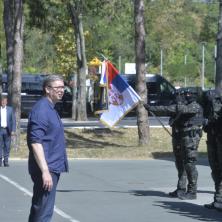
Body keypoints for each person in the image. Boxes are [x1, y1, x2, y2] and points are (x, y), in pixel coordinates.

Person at [144, 89, 203, 200]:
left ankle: (192, 191)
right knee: (180, 163)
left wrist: (153, 108)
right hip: (180, 136)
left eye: (185, 95)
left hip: (190, 138)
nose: (183, 97)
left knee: (189, 164)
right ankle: (181, 189)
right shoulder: (183, 106)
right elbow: (171, 110)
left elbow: (176, 109)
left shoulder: (194, 106)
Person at [27, 75, 69, 222]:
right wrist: (45, 171)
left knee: (41, 209)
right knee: (43, 212)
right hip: (47, 168)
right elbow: (35, 142)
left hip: (52, 167)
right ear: (47, 89)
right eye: (58, 87)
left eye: (63, 87)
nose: (62, 90)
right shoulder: (42, 110)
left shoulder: (50, 108)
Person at [202, 89, 222, 211]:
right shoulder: (208, 109)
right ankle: (218, 199)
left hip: (219, 141)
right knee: (215, 171)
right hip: (213, 141)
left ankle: (219, 200)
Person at [0, 95, 16, 167]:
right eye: (2, 101)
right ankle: (0, 161)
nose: (3, 102)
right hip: (0, 130)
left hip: (7, 130)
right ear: (0, 102)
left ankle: (6, 161)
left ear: (6, 102)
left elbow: (13, 121)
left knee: (7, 146)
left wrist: (13, 130)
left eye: (5, 101)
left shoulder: (10, 109)